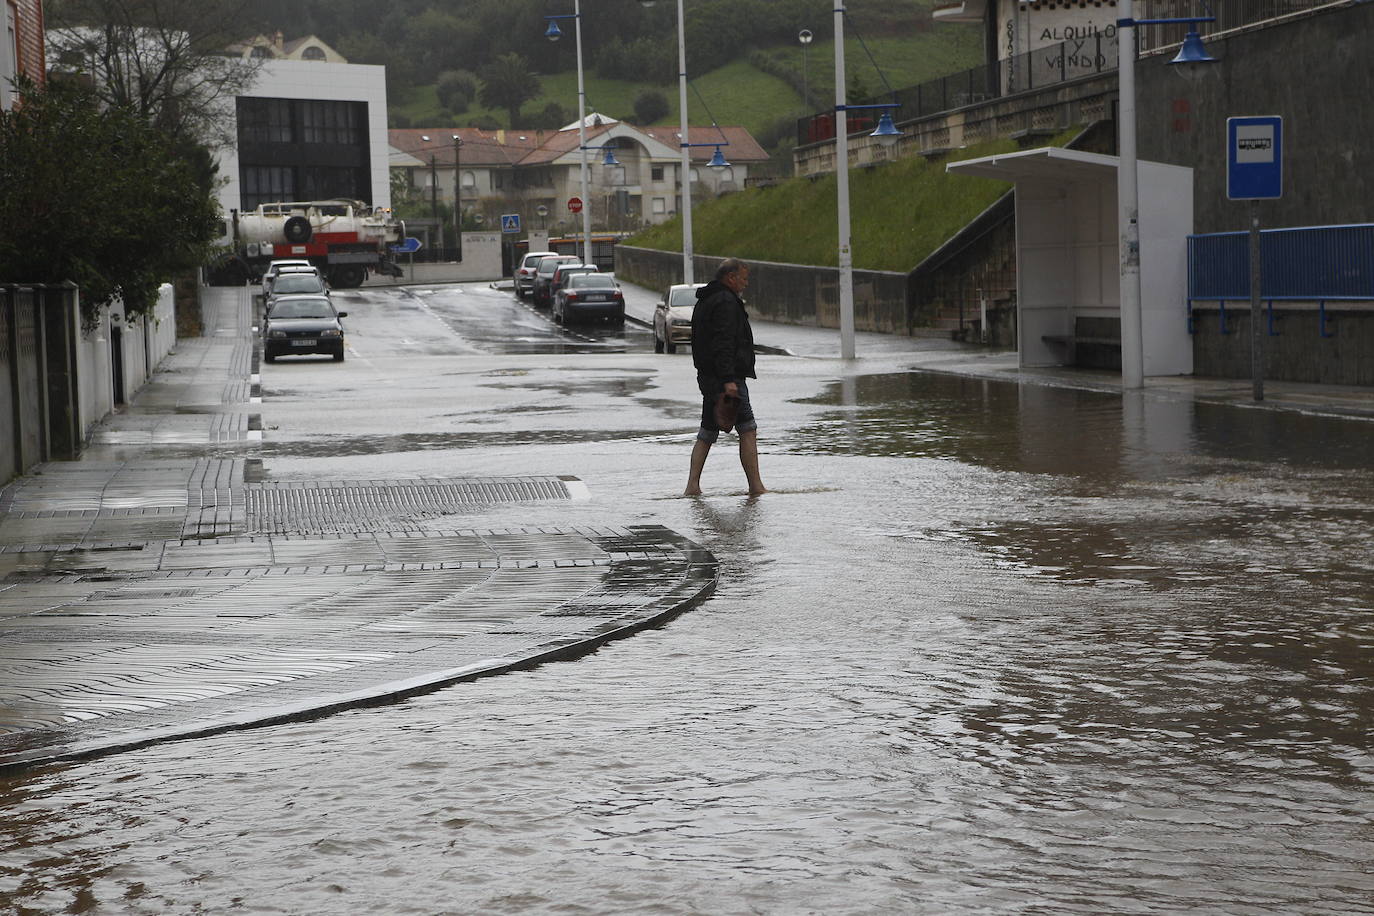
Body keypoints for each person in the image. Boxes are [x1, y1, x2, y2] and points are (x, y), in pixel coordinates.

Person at [684, 258, 766, 496]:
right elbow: (724, 343)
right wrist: (729, 380)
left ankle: (692, 485)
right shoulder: (726, 302)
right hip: (727, 380)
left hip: (709, 377)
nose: (746, 283)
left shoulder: (706, 299)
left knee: (707, 431)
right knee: (748, 428)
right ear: (730, 278)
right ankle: (756, 486)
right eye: (743, 278)